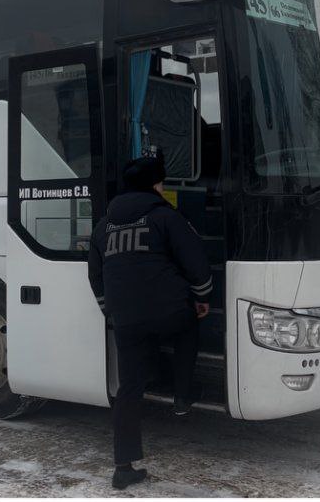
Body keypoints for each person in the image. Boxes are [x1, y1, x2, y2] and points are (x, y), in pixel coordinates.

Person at [88, 156, 213, 490]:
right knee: (188, 326)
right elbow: (195, 261)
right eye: (161, 182)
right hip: (169, 311)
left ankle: (123, 467)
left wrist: (109, 311)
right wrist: (202, 295)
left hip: (126, 318)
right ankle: (182, 396)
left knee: (129, 388)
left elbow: (95, 276)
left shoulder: (103, 226)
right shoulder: (166, 217)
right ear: (156, 185)